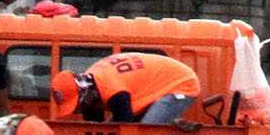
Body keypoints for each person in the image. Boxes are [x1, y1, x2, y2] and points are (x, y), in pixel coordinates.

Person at [50, 51, 201, 126]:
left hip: (181, 84)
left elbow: (125, 132)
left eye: (77, 106)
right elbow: (98, 130)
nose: (77, 111)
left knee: (144, 132)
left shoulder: (114, 92)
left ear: (84, 96)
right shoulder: (92, 87)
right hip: (154, 83)